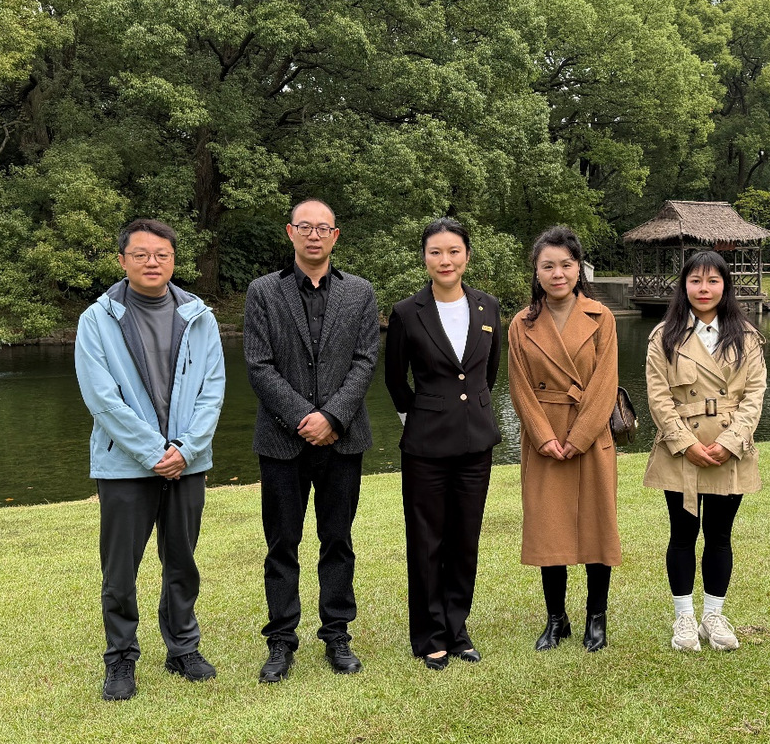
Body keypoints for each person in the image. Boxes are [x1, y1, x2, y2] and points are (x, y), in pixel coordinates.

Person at [75, 218, 226, 701]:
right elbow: (101, 398)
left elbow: (212, 391)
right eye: (140, 255)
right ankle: (120, 658)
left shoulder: (199, 316)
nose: (151, 262)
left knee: (182, 562)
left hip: (187, 463)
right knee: (120, 571)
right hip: (124, 466)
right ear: (122, 260)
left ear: (174, 260)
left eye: (161, 254)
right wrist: (153, 451)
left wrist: (186, 449)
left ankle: (182, 648)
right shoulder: (97, 319)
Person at [244, 199, 380, 680]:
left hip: (343, 439)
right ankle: (281, 641)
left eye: (323, 228)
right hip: (282, 441)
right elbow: (258, 364)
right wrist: (305, 416)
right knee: (282, 543)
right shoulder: (264, 291)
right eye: (306, 227)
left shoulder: (359, 292)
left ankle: (337, 634)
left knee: (337, 540)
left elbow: (365, 360)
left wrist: (333, 417)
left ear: (335, 235)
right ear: (291, 232)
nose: (314, 235)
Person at [384, 218, 502, 671]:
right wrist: (419, 419)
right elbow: (396, 379)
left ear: (467, 255)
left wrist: (468, 411)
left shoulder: (488, 307)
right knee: (426, 540)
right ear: (425, 258)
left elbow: (489, 373)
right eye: (436, 252)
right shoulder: (406, 312)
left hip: (477, 443)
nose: (445, 260)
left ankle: (457, 629)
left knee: (464, 539)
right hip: (425, 446)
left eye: (453, 251)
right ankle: (430, 634)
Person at [643, 251, 766, 653]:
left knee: (719, 535)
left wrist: (730, 443)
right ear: (684, 285)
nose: (704, 289)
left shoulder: (746, 336)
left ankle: (713, 615)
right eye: (695, 280)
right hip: (680, 449)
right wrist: (686, 443)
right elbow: (658, 397)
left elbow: (755, 394)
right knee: (682, 535)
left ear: (725, 286)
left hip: (731, 447)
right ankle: (684, 617)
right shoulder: (664, 336)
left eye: (713, 281)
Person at [508, 226, 621, 653]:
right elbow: (519, 387)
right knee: (548, 529)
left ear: (579, 269)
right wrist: (543, 437)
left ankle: (596, 617)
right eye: (548, 266)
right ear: (536, 272)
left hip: (590, 437)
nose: (558, 274)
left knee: (597, 528)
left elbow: (606, 383)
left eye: (566, 265)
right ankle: (556, 619)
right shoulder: (521, 323)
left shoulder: (602, 317)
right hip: (544, 439)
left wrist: (580, 436)